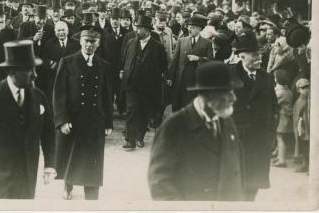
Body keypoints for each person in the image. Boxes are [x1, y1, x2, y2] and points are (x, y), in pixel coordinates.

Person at [0, 40, 56, 199]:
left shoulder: (39, 96)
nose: (35, 74)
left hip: (26, 175)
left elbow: (48, 132)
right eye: (29, 69)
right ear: (12, 71)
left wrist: (50, 164)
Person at [148, 61, 244, 201]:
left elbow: (237, 171)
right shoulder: (174, 126)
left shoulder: (227, 121)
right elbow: (160, 184)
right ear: (208, 95)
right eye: (227, 92)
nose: (233, 98)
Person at [53, 26, 113, 200]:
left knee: (93, 159)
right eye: (86, 41)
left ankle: (91, 194)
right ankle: (68, 186)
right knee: (72, 156)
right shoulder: (67, 62)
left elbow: (107, 96)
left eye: (93, 42)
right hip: (74, 120)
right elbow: (59, 94)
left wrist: (108, 122)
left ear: (98, 44)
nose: (89, 45)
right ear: (80, 42)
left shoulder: (104, 66)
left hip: (95, 121)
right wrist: (62, 120)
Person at [229, 31, 279, 201]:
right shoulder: (229, 75)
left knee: (254, 184)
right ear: (241, 56)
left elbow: (274, 108)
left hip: (260, 139)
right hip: (236, 138)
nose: (259, 58)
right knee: (235, 183)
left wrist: (271, 134)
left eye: (260, 54)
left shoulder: (266, 78)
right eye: (254, 55)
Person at [121, 15, 168, 149]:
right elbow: (125, 60)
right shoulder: (131, 43)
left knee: (144, 112)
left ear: (147, 31)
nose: (137, 31)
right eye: (137, 28)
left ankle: (140, 137)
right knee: (131, 111)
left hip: (148, 86)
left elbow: (163, 65)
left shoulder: (157, 47)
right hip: (131, 84)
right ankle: (129, 139)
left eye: (140, 28)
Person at [167, 14, 213, 111]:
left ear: (200, 29)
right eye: (189, 27)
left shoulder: (207, 43)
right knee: (177, 105)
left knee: (191, 106)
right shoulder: (182, 41)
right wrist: (170, 77)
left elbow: (211, 60)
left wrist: (198, 59)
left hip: (195, 80)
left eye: (192, 28)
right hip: (180, 79)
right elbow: (174, 60)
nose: (189, 30)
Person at [271, 69, 293, 168]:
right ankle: (280, 156)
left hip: (282, 118)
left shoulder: (280, 92)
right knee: (280, 138)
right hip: (285, 118)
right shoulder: (287, 90)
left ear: (277, 79)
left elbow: (274, 103)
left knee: (280, 138)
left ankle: (282, 160)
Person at [293, 78, 310, 173]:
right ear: (298, 90)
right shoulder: (298, 102)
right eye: (303, 88)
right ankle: (305, 164)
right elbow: (296, 118)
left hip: (310, 129)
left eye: (308, 87)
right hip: (302, 129)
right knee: (303, 147)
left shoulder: (312, 100)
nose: (306, 89)